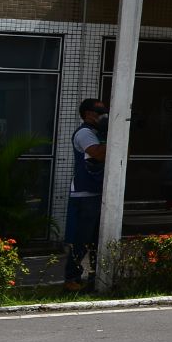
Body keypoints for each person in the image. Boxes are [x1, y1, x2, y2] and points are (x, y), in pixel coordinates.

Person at [64, 99, 108, 290]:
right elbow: (98, 153)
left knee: (98, 239)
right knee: (81, 239)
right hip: (84, 194)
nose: (102, 116)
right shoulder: (84, 133)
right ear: (88, 114)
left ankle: (94, 276)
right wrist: (109, 136)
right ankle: (71, 278)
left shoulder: (98, 133)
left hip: (98, 192)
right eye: (99, 112)